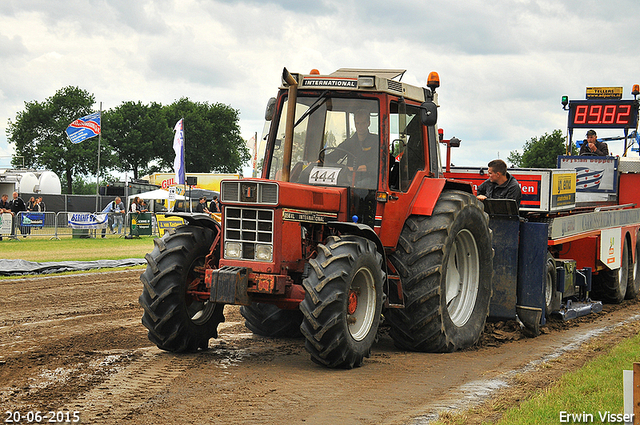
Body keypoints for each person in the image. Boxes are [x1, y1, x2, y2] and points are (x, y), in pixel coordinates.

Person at [324, 109, 379, 187]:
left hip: (370, 178)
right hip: (351, 179)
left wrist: (364, 168)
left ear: (368, 123)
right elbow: (335, 154)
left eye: (363, 123)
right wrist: (321, 160)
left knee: (362, 184)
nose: (360, 126)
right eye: (357, 123)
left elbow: (379, 162)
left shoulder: (376, 141)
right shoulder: (350, 142)